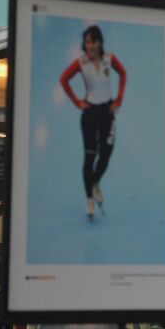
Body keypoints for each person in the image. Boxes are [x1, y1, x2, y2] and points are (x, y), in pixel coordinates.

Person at [60, 25, 126, 222]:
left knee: (106, 153)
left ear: (100, 42)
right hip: (90, 113)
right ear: (84, 44)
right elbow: (64, 79)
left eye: (94, 41)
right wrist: (76, 101)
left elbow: (123, 74)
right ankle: (89, 197)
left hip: (107, 112)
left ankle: (95, 182)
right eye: (88, 42)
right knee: (90, 157)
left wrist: (119, 99)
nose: (91, 45)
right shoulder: (80, 63)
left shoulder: (109, 59)